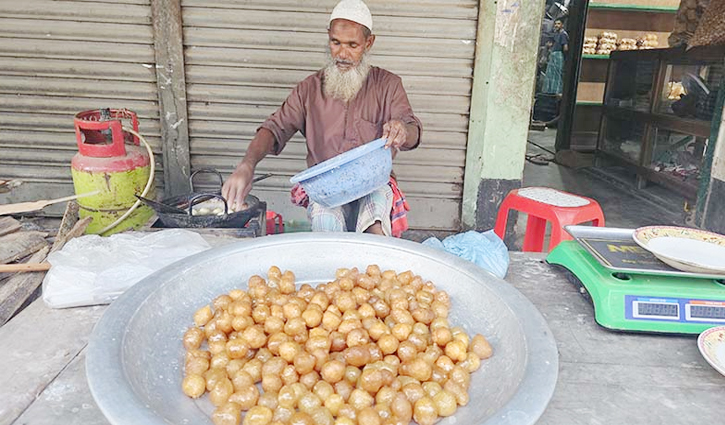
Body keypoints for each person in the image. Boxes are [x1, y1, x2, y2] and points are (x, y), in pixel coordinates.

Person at [221, 0, 422, 237]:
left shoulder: (388, 85)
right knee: (327, 234)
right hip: (326, 187)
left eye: (352, 45)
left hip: (374, 183)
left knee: (374, 229)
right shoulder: (309, 89)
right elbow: (274, 128)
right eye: (336, 43)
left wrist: (401, 130)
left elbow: (412, 131)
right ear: (328, 37)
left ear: (369, 43)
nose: (342, 54)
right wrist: (247, 164)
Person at [542, 18, 569, 95]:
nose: (556, 25)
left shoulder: (563, 34)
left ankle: (557, 91)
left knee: (557, 74)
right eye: (555, 24)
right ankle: (551, 91)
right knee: (551, 74)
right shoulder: (557, 34)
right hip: (554, 55)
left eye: (558, 24)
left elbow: (565, 47)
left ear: (562, 25)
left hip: (558, 55)